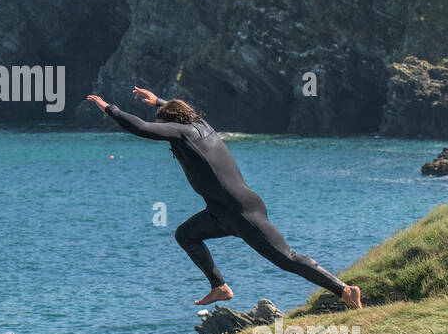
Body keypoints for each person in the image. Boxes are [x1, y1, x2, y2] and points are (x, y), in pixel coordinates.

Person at [87, 87, 362, 309]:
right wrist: (158, 101)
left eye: (164, 124)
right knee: (186, 235)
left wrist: (110, 109)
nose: (164, 132)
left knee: (286, 258)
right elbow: (180, 110)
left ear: (172, 124)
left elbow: (142, 129)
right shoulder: (199, 124)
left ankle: (345, 291)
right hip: (220, 212)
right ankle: (219, 287)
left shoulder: (183, 132)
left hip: (242, 212)